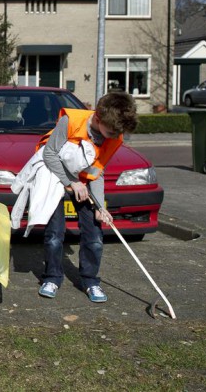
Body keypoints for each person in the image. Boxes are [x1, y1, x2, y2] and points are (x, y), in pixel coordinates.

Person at [35, 91, 138, 303]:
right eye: (109, 132)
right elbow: (49, 155)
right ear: (98, 119)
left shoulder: (114, 134)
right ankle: (52, 277)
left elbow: (96, 172)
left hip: (83, 182)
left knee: (94, 236)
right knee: (55, 234)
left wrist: (101, 207)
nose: (112, 137)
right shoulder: (70, 121)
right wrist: (71, 182)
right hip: (55, 176)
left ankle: (90, 281)